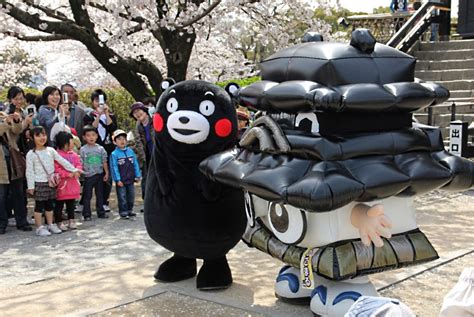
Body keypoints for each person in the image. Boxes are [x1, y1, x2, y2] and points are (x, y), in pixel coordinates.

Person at [26, 126, 80, 236]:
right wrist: (31, 186)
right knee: (39, 206)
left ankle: (50, 224)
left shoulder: (50, 150)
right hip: (39, 183)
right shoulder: (31, 154)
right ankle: (40, 227)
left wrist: (74, 169)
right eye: (38, 135)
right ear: (32, 138)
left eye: (43, 134)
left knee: (50, 205)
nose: (42, 137)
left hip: (51, 182)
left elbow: (62, 161)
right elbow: (29, 171)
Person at [83, 89, 117, 212]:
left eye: (101, 100)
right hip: (93, 150)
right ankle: (88, 202)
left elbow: (113, 128)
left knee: (107, 176)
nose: (99, 103)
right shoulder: (89, 116)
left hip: (108, 149)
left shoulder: (111, 115)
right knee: (94, 176)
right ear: (92, 102)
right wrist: (98, 116)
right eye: (96, 100)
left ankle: (104, 201)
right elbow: (91, 128)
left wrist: (106, 113)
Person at [0, 109, 31, 234]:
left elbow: (17, 131)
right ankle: (2, 223)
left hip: (13, 161)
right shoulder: (4, 119)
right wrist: (6, 123)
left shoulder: (3, 115)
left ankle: (22, 221)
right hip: (1, 163)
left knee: (18, 193)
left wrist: (17, 121)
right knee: (1, 196)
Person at [80, 125, 110, 221]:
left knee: (100, 194)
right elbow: (80, 162)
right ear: (84, 137)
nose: (91, 137)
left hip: (99, 174)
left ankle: (101, 212)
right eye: (88, 135)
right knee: (87, 195)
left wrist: (106, 173)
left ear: (97, 136)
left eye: (93, 135)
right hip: (88, 176)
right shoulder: (83, 149)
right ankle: (87, 214)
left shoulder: (100, 149)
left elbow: (104, 161)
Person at [54, 131, 82, 231]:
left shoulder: (74, 155)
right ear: (65, 142)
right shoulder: (57, 155)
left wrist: (78, 170)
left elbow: (78, 164)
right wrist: (67, 174)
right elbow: (56, 168)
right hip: (62, 184)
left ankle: (71, 220)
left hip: (73, 184)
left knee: (71, 203)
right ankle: (59, 221)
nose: (73, 143)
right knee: (59, 204)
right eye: (71, 141)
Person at [110, 130, 141, 219]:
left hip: (130, 179)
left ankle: (130, 210)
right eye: (119, 139)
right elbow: (114, 167)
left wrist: (137, 175)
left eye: (124, 138)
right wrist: (117, 179)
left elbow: (135, 163)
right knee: (122, 196)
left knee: (131, 195)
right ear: (115, 142)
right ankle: (123, 211)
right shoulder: (114, 154)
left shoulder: (130, 151)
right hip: (121, 180)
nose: (122, 141)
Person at [129, 102, 153, 209]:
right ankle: (147, 203)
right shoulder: (138, 126)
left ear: (145, 110)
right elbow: (138, 143)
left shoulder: (155, 120)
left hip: (158, 153)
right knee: (146, 179)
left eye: (139, 111)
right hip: (147, 155)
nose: (137, 114)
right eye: (134, 113)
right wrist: (143, 158)